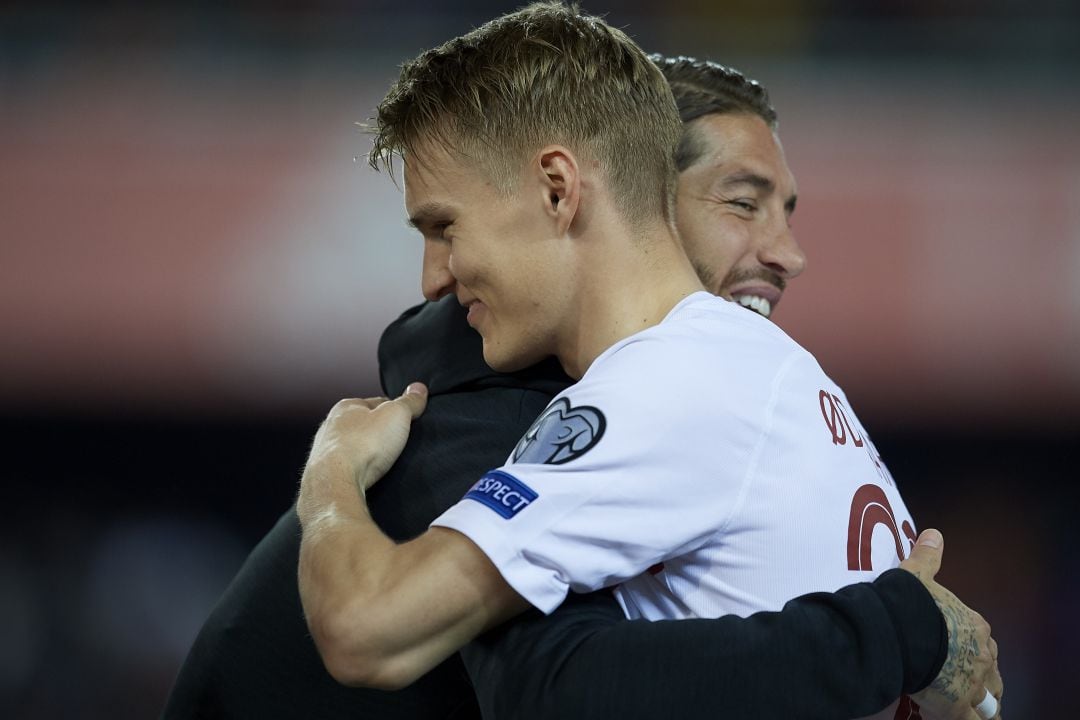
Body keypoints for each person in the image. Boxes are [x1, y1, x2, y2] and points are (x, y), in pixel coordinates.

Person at [161, 51, 968, 719]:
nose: (787, 253)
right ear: (626, 193)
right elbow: (553, 686)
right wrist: (895, 632)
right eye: (741, 203)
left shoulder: (700, 381)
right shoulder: (501, 415)